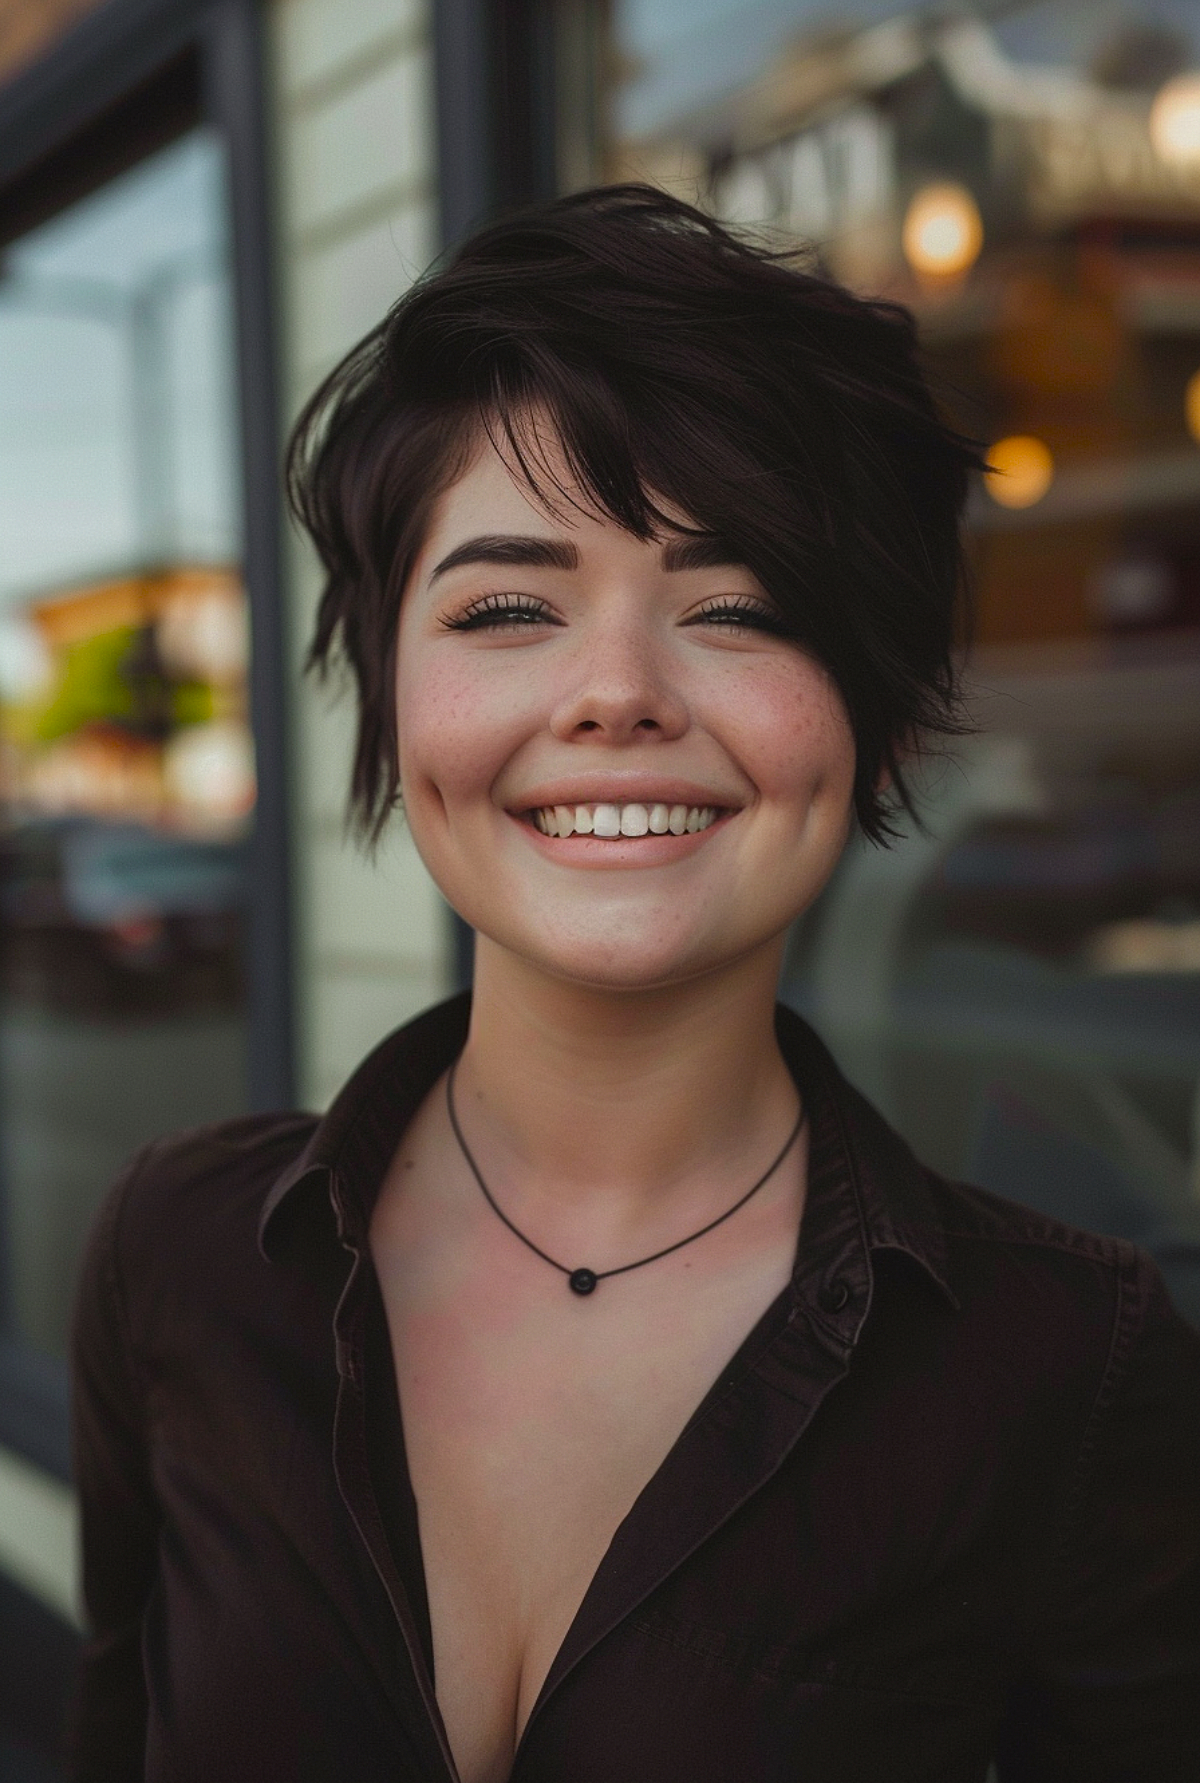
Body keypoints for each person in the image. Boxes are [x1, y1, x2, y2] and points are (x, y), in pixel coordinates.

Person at [70, 187, 1200, 1783]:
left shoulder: (1070, 1371)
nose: (616, 693)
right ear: (390, 699)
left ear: (872, 717)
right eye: (509, 608)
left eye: (738, 607)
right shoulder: (174, 1257)